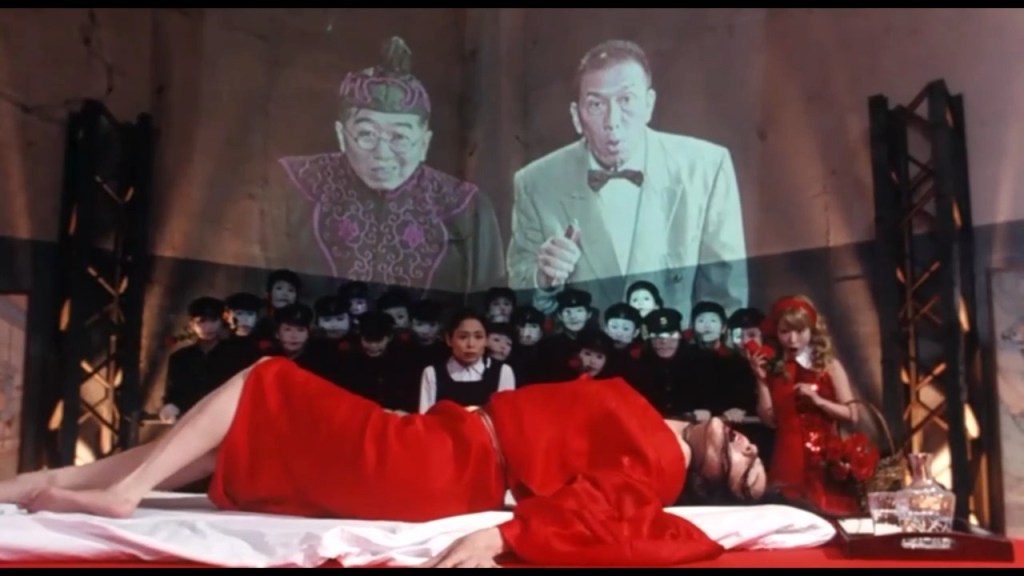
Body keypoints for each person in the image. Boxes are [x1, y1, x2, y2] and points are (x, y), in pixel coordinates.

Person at [0, 357, 766, 568]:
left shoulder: (664, 463)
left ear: (712, 484)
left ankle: (126, 492)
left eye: (746, 469)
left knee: (267, 379)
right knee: (218, 441)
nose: (745, 448)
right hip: (442, 443)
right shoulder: (664, 426)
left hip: (441, 466)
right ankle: (37, 485)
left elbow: (607, 515)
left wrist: (501, 536)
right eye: (747, 445)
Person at [506, 39, 748, 317]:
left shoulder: (707, 168)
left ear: (649, 104)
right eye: (596, 104)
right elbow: (517, 301)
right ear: (576, 116)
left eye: (626, 100)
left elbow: (727, 299)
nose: (613, 121)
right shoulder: (535, 183)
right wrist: (543, 280)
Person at [278, 36, 506, 295]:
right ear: (341, 135)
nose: (382, 154)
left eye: (400, 137)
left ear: (424, 143)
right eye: (366, 134)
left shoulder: (465, 207)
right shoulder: (293, 188)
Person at [747, 295, 859, 516]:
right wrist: (761, 379)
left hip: (823, 458)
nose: (792, 339)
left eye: (799, 331)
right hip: (786, 456)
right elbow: (769, 420)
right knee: (787, 516)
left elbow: (852, 414)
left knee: (826, 514)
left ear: (812, 331)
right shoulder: (776, 369)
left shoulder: (828, 366)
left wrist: (819, 401)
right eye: (785, 332)